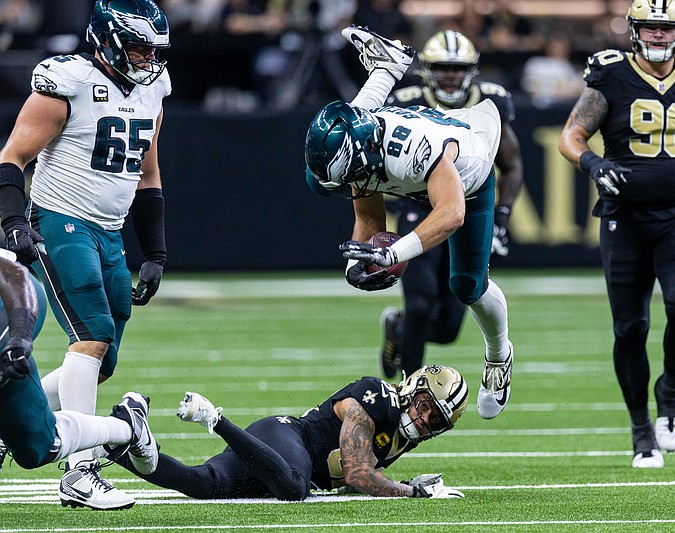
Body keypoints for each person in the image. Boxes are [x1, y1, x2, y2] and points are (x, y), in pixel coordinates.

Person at [558, 0, 675, 468]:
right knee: (631, 327)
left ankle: (671, 388)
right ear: (634, 29)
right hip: (625, 218)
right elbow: (570, 136)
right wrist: (595, 163)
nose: (658, 36)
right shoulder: (611, 74)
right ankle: (642, 430)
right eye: (650, 27)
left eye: (666, 28)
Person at [0, 0, 170, 508]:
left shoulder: (154, 88)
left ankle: (9, 424)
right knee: (91, 337)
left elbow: (148, 174)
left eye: (152, 49)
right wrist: (12, 222)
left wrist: (155, 251)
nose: (147, 59)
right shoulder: (67, 81)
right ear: (108, 41)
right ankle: (80, 471)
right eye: (137, 48)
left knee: (102, 360)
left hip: (110, 232)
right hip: (59, 220)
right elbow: (12, 156)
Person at [304, 26, 514, 420]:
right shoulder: (358, 146)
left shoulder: (414, 151)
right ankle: (387, 68)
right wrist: (355, 266)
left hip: (468, 175)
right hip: (412, 172)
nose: (348, 182)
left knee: (466, 285)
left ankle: (499, 355)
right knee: (357, 122)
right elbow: (369, 217)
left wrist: (394, 252)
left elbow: (452, 214)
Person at [377, 29, 523, 379]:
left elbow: (512, 164)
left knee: (448, 327)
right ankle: (410, 390)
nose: (450, 75)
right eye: (442, 67)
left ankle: (398, 329)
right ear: (427, 69)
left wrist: (501, 217)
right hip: (422, 206)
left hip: (469, 206)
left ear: (471, 69)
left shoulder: (492, 101)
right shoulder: (407, 100)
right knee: (420, 303)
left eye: (457, 67)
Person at [113, 365, 467, 500]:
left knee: (203, 484)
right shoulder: (377, 396)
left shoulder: (404, 435)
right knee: (294, 488)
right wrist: (412, 493)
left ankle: (115, 441)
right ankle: (215, 418)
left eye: (435, 420)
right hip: (285, 437)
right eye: (424, 406)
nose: (423, 419)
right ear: (414, 387)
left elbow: (356, 475)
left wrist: (405, 483)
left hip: (274, 457)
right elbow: (357, 472)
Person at [0, 249, 158, 511]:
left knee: (40, 446)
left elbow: (11, 272)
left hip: (11, 311)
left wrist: (19, 338)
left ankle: (128, 427)